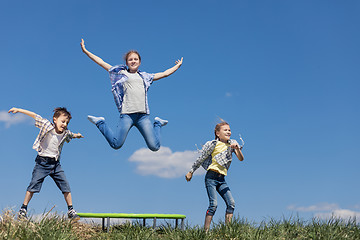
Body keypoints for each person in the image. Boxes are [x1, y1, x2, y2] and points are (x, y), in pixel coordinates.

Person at [80, 39, 183, 151]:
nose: (133, 61)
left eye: (135, 59)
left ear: (139, 62)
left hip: (143, 116)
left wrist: (177, 66)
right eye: (130, 59)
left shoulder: (145, 76)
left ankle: (157, 123)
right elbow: (101, 62)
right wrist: (86, 51)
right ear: (127, 62)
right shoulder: (121, 73)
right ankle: (100, 122)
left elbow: (164, 74)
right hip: (127, 115)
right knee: (116, 144)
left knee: (155, 147)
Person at [8, 107, 84, 220]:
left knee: (66, 186)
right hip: (42, 163)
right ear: (55, 119)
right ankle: (23, 209)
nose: (64, 124)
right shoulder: (46, 125)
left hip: (55, 165)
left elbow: (71, 135)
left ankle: (71, 210)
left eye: (67, 123)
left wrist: (77, 135)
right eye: (62, 121)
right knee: (33, 185)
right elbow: (34, 115)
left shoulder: (65, 133)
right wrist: (18, 110)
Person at [185, 121, 244, 231]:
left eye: (229, 130)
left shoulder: (232, 144)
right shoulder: (213, 144)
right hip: (211, 178)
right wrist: (191, 171)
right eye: (225, 130)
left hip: (222, 179)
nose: (228, 132)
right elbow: (201, 158)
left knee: (231, 204)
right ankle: (206, 231)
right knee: (214, 205)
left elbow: (241, 159)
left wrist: (237, 149)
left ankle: (228, 231)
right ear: (217, 133)